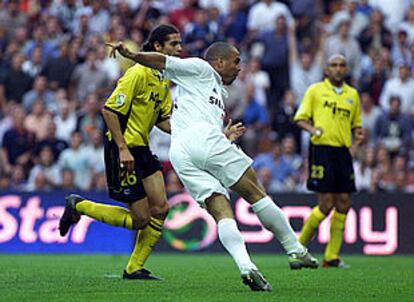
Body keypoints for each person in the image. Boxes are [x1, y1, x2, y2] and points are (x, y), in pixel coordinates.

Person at [108, 39, 318, 292]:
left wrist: (223, 136)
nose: (240, 67)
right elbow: (162, 61)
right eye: (236, 61)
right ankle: (295, 249)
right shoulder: (201, 68)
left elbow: (194, 117)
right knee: (256, 193)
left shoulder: (213, 90)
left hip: (182, 151)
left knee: (221, 210)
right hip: (201, 141)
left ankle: (246, 267)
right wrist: (132, 54)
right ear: (219, 62)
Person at [58, 24, 183, 280]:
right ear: (157, 47)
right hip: (122, 148)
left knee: (160, 208)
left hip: (143, 148)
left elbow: (162, 120)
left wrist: (195, 133)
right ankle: (79, 205)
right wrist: (123, 149)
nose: (179, 49)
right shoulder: (137, 73)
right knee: (140, 220)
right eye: (174, 44)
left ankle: (134, 268)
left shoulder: (162, 77)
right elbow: (109, 110)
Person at [294, 54, 364, 268]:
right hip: (321, 150)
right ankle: (297, 249)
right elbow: (300, 118)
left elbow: (357, 126)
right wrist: (313, 129)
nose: (338, 68)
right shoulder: (315, 91)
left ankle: (331, 257)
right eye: (333, 65)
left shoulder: (353, 95)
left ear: (346, 69)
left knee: (344, 202)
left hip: (343, 153)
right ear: (327, 70)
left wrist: (357, 140)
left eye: (342, 65)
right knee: (325, 204)